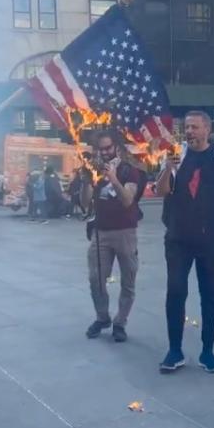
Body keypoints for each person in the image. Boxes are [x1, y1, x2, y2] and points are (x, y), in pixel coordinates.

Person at [156, 111, 214, 374]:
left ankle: (208, 352)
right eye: (186, 127)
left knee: (211, 295)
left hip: (210, 238)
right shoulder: (176, 156)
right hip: (178, 238)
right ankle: (174, 351)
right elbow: (161, 191)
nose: (189, 131)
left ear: (207, 129)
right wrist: (168, 168)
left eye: (194, 127)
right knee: (176, 292)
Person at [81, 131, 146, 342]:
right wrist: (86, 181)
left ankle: (120, 322)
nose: (105, 152)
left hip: (125, 232)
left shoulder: (130, 171)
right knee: (95, 278)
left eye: (108, 148)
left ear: (116, 147)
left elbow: (128, 200)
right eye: (102, 149)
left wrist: (114, 178)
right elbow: (84, 203)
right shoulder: (96, 171)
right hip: (100, 232)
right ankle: (102, 317)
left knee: (128, 280)